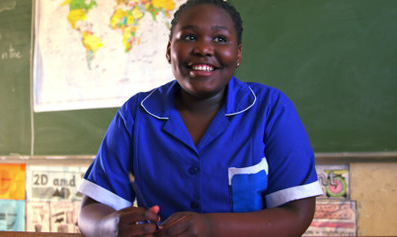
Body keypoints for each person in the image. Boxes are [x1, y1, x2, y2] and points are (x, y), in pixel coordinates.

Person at [78, 0, 323, 236]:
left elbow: (297, 214)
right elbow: (90, 211)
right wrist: (109, 227)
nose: (204, 49)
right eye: (189, 37)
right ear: (168, 50)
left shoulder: (271, 109)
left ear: (237, 54)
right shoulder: (136, 114)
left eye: (219, 39)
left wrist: (210, 227)